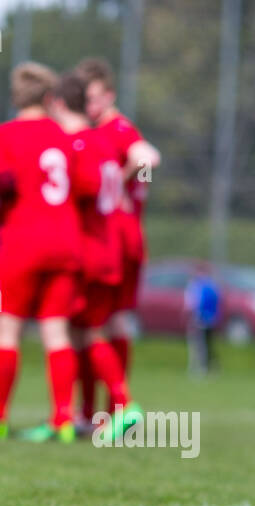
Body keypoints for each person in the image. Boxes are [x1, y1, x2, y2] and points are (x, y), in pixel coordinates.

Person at [0, 61, 99, 443]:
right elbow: (87, 187)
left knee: (6, 329)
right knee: (56, 332)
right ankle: (63, 418)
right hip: (65, 244)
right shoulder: (67, 137)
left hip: (20, 244)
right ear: (50, 98)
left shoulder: (2, 135)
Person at [48, 70, 142, 439]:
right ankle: (83, 414)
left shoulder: (80, 144)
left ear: (57, 104)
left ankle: (121, 403)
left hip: (87, 250)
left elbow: (81, 192)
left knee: (84, 332)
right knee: (87, 330)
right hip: (108, 247)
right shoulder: (102, 141)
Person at [76, 57, 160, 414]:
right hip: (124, 239)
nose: (90, 106)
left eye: (94, 98)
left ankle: (109, 407)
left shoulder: (119, 130)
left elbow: (149, 158)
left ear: (109, 95)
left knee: (91, 324)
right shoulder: (98, 131)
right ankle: (104, 410)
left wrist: (118, 181)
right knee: (111, 322)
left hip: (114, 239)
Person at [184, 268, 221, 375]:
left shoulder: (201, 288)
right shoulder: (210, 287)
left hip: (201, 319)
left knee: (202, 345)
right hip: (208, 319)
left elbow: (194, 304)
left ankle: (203, 367)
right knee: (206, 344)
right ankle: (206, 367)